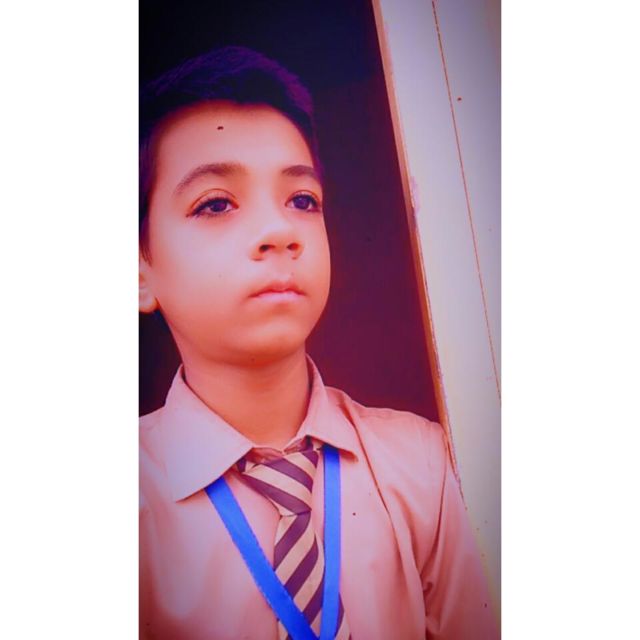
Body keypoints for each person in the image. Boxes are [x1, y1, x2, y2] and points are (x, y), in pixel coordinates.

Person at [139, 46, 498, 640]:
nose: (279, 230)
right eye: (216, 203)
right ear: (139, 268)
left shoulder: (420, 465)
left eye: (302, 201)